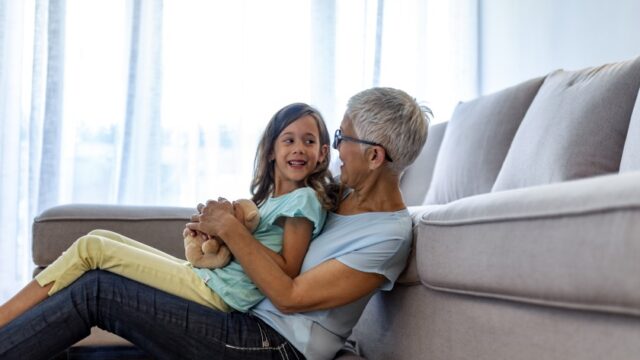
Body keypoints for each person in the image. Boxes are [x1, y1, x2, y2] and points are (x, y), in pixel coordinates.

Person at [0, 87, 430, 360]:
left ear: (375, 156)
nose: (334, 151)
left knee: (98, 291)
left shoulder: (387, 236)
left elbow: (290, 295)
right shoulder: (341, 195)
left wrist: (231, 229)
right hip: (245, 320)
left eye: (342, 139)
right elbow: (278, 212)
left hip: (272, 345)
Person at [0, 102, 337, 322]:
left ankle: (5, 318)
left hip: (216, 294)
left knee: (93, 249)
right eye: (288, 140)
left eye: (308, 142)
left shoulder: (303, 200)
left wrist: (234, 235)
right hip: (208, 281)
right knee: (99, 237)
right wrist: (218, 236)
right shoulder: (265, 204)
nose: (298, 149)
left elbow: (288, 271)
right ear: (271, 152)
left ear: (322, 154)